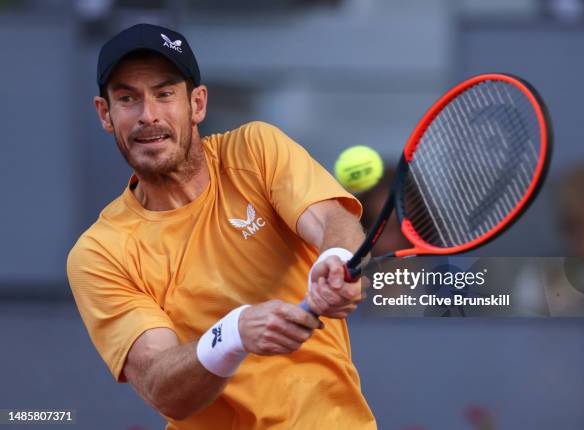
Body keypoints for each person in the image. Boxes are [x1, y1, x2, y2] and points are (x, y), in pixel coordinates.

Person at [67, 23, 376, 429]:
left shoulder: (256, 149)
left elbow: (333, 220)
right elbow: (161, 384)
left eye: (164, 94)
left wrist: (336, 259)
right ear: (105, 114)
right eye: (128, 99)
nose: (148, 115)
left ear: (197, 104)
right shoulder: (99, 253)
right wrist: (234, 333)